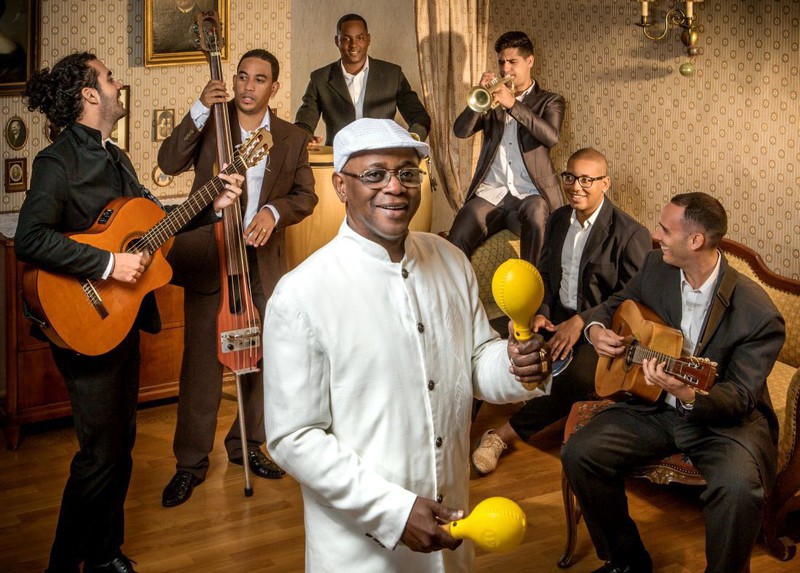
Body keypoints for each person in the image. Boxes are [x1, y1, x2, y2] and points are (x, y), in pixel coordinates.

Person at [262, 118, 552, 572]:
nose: (395, 186)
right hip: (360, 555)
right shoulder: (301, 294)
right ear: (340, 185)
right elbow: (293, 437)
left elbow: (476, 361)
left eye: (407, 173)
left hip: (454, 537)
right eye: (375, 174)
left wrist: (517, 364)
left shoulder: (451, 261)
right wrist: (393, 512)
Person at [16, 52, 242, 573]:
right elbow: (30, 238)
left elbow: (155, 223)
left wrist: (211, 205)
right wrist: (108, 263)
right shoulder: (57, 161)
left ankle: (103, 554)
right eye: (110, 78)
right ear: (89, 95)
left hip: (121, 319)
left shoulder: (115, 157)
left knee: (120, 447)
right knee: (99, 454)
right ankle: (61, 566)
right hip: (81, 320)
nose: (119, 84)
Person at [562, 192, 785, 573]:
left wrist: (687, 394)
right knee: (581, 453)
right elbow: (616, 304)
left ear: (695, 240)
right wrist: (595, 330)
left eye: (666, 230)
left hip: (722, 422)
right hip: (653, 408)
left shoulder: (758, 313)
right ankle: (627, 561)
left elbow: (740, 396)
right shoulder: (656, 266)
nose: (656, 235)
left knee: (738, 489)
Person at [157, 48, 318, 508]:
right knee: (201, 366)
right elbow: (169, 162)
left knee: (261, 357)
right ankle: (190, 464)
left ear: (274, 87)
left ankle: (247, 445)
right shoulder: (212, 120)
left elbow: (306, 196)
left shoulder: (291, 137)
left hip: (262, 260)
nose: (248, 86)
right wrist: (199, 107)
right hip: (211, 254)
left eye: (259, 79)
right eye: (242, 77)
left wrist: (273, 212)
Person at [471, 148, 652, 475]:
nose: (575, 187)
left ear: (605, 183)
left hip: (599, 330)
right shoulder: (556, 220)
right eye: (570, 177)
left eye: (586, 180)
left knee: (576, 377)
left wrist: (583, 322)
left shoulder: (630, 234)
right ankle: (458, 428)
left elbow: (633, 298)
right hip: (554, 316)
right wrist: (538, 312)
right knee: (487, 339)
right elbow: (544, 273)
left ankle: (501, 436)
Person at [448, 30, 565, 266]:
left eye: (512, 62)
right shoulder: (492, 98)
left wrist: (512, 104)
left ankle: (535, 286)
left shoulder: (550, 101)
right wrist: (479, 100)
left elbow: (550, 136)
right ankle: (457, 288)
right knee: (457, 238)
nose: (505, 69)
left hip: (530, 193)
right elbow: (460, 131)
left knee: (536, 213)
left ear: (530, 61)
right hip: (491, 192)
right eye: (501, 62)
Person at [294, 13, 431, 145]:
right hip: (337, 157)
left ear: (368, 39)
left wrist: (411, 141)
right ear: (337, 41)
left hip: (383, 157)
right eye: (346, 39)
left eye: (359, 38)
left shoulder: (392, 75)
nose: (353, 45)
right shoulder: (320, 79)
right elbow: (304, 124)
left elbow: (419, 117)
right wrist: (305, 137)